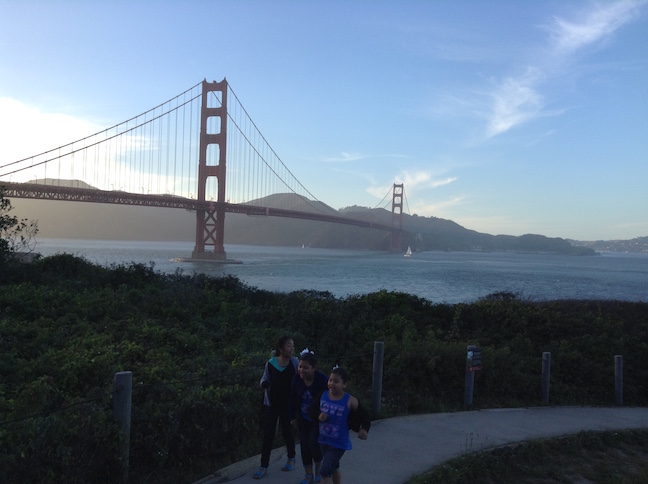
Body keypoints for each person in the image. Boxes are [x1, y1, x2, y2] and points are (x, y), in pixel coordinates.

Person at [309, 366, 371, 484]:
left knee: (325, 472)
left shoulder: (350, 400)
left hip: (338, 443)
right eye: (330, 380)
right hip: (323, 440)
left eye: (336, 381)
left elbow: (365, 416)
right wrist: (318, 415)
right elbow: (311, 410)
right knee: (334, 466)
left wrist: (364, 429)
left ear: (345, 384)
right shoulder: (323, 395)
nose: (332, 383)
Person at [254, 335, 299, 480]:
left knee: (287, 432)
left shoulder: (295, 363)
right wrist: (264, 385)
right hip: (272, 405)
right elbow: (263, 379)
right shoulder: (271, 363)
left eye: (292, 345)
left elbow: (301, 380)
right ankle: (263, 466)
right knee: (268, 435)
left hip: (288, 405)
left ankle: (291, 457)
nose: (292, 348)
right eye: (288, 345)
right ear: (281, 348)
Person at [290, 349, 329, 484]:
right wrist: (292, 417)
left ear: (314, 368)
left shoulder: (322, 380)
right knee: (304, 445)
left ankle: (318, 471)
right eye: (300, 366)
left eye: (306, 368)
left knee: (313, 443)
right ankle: (308, 475)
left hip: (317, 419)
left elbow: (331, 398)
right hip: (303, 418)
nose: (301, 370)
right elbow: (292, 399)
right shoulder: (296, 379)